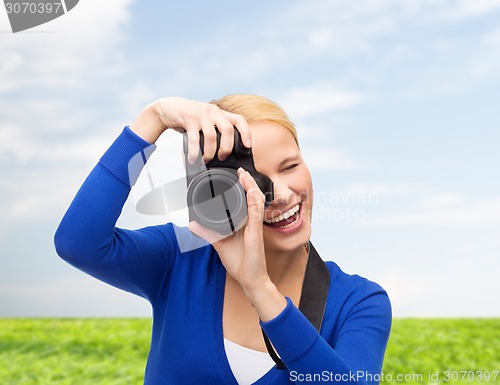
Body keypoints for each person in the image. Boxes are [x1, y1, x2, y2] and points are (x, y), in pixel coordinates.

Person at [54, 95, 392, 385]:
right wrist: (152, 119)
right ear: (216, 192)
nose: (283, 194)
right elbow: (78, 242)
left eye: (290, 167)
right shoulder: (180, 260)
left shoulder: (359, 302)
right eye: (255, 180)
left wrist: (259, 288)